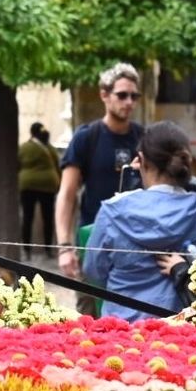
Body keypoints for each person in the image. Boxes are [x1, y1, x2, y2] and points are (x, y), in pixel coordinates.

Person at [83, 121, 196, 322]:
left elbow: (93, 272)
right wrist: (190, 179)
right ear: (185, 163)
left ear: (141, 160)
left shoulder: (112, 210)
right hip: (180, 331)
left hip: (121, 328)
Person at [57, 64, 145, 309]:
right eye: (122, 95)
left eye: (134, 96)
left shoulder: (145, 138)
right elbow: (67, 195)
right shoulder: (87, 137)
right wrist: (65, 247)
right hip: (93, 243)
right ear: (104, 95)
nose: (129, 102)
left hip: (135, 248)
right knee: (90, 323)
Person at [18, 122, 61, 250]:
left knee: (27, 217)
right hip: (48, 185)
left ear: (31, 133)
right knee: (47, 218)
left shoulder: (24, 147)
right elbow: (58, 164)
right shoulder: (49, 148)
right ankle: (48, 247)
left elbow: (17, 164)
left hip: (27, 185)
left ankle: (26, 248)